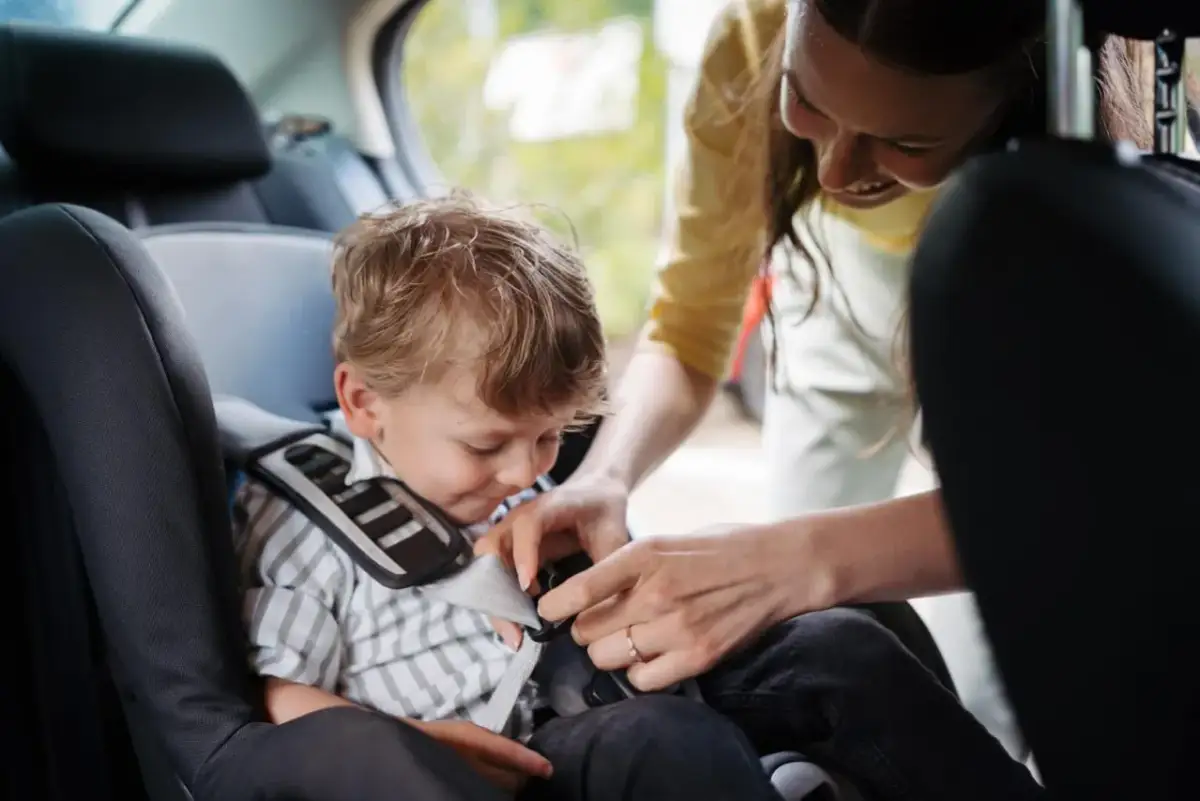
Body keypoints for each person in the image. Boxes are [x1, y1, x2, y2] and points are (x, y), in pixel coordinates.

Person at [477, 0, 1166, 792]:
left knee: (991, 674)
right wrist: (606, 475)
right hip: (826, 300)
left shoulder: (1091, 176)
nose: (835, 172)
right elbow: (692, 324)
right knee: (803, 609)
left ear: (1017, 106)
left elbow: (1076, 501)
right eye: (806, 102)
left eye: (905, 141)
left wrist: (802, 560)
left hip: (1009, 331)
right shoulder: (751, 38)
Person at [231, 194, 781, 801]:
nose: (524, 472)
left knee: (829, 648)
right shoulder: (304, 521)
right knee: (665, 744)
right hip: (482, 772)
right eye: (486, 445)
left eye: (550, 435)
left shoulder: (499, 476)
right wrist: (401, 746)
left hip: (592, 699)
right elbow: (273, 691)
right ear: (364, 405)